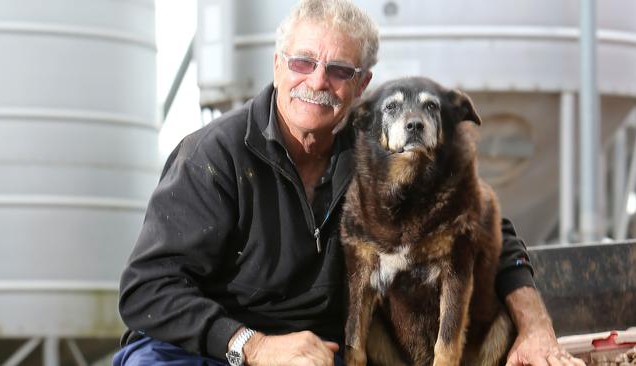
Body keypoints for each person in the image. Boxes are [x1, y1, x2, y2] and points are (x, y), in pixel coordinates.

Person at [114, 1, 585, 365]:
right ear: (278, 65)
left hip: (315, 353)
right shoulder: (213, 156)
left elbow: (485, 226)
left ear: (362, 85)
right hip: (197, 348)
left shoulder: (378, 156)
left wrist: (536, 329)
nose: (318, 81)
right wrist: (253, 346)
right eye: (302, 62)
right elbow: (147, 289)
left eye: (340, 70)